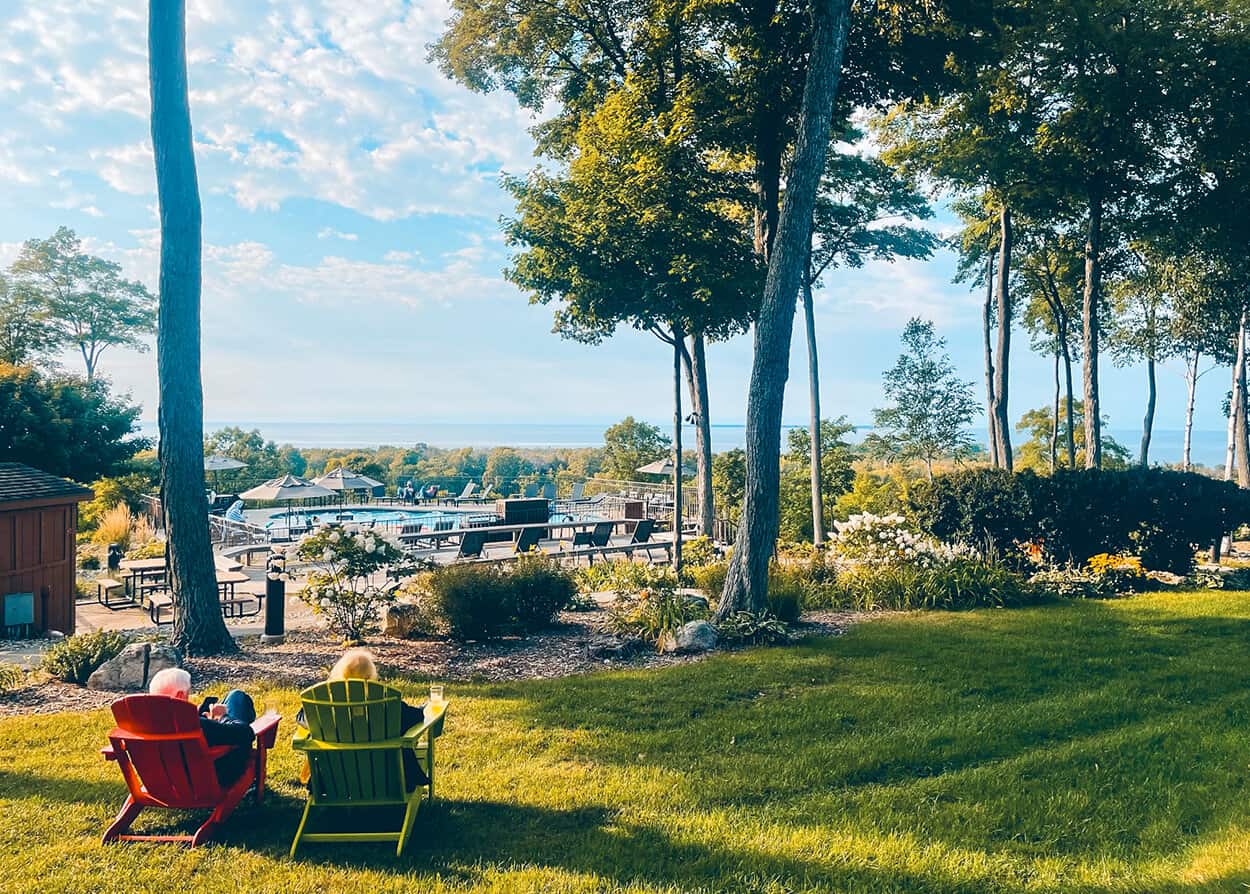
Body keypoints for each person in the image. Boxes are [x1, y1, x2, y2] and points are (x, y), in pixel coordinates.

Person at [298, 648, 428, 789]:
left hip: (334, 783)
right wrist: (424, 707)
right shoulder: (388, 706)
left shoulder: (322, 709)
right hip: (387, 781)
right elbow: (417, 716)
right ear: (371, 678)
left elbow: (302, 717)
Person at [148, 668, 256, 787]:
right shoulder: (197, 725)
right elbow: (247, 733)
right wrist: (222, 717)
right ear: (179, 696)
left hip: (165, 784)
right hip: (212, 780)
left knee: (234, 696)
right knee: (237, 697)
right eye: (188, 692)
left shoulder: (141, 726)